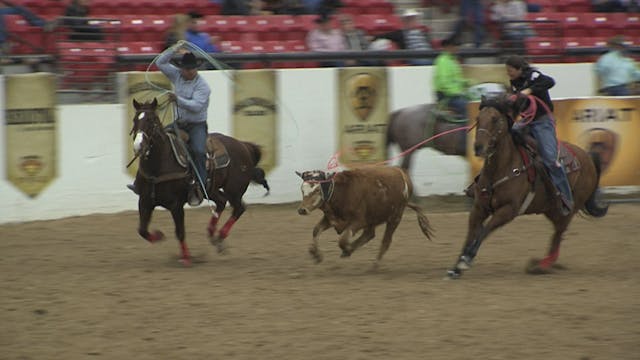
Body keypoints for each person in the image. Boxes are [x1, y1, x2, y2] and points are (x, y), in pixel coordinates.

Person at [128, 47, 211, 206]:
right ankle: (140, 181)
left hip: (196, 126)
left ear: (195, 69)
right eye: (186, 68)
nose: (188, 71)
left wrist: (178, 100)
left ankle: (200, 185)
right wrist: (174, 49)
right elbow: (160, 62)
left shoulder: (203, 86)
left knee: (199, 151)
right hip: (179, 123)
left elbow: (197, 106)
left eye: (191, 69)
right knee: (154, 141)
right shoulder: (177, 75)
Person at [505, 55, 573, 215]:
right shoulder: (514, 83)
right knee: (511, 133)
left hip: (543, 121)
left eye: (511, 70)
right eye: (507, 71)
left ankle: (566, 198)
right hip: (526, 120)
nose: (509, 74)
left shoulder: (533, 76)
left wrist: (530, 90)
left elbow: (550, 82)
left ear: (519, 69)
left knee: (550, 159)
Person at [433, 36, 470, 120]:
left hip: (453, 94)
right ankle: (464, 132)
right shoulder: (443, 61)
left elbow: (455, 80)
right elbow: (444, 82)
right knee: (467, 107)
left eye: (457, 46)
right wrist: (457, 92)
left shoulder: (453, 61)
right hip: (445, 96)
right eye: (454, 46)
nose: (456, 48)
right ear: (447, 47)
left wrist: (466, 82)